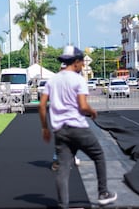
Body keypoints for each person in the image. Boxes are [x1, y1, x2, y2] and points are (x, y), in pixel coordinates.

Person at [38, 45, 117, 208]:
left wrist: (45, 128)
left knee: (63, 169)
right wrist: (92, 111)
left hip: (60, 130)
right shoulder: (79, 79)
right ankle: (103, 192)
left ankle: (62, 204)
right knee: (98, 155)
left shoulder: (52, 80)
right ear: (75, 62)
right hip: (78, 128)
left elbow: (42, 105)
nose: (82, 65)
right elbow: (82, 106)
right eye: (81, 62)